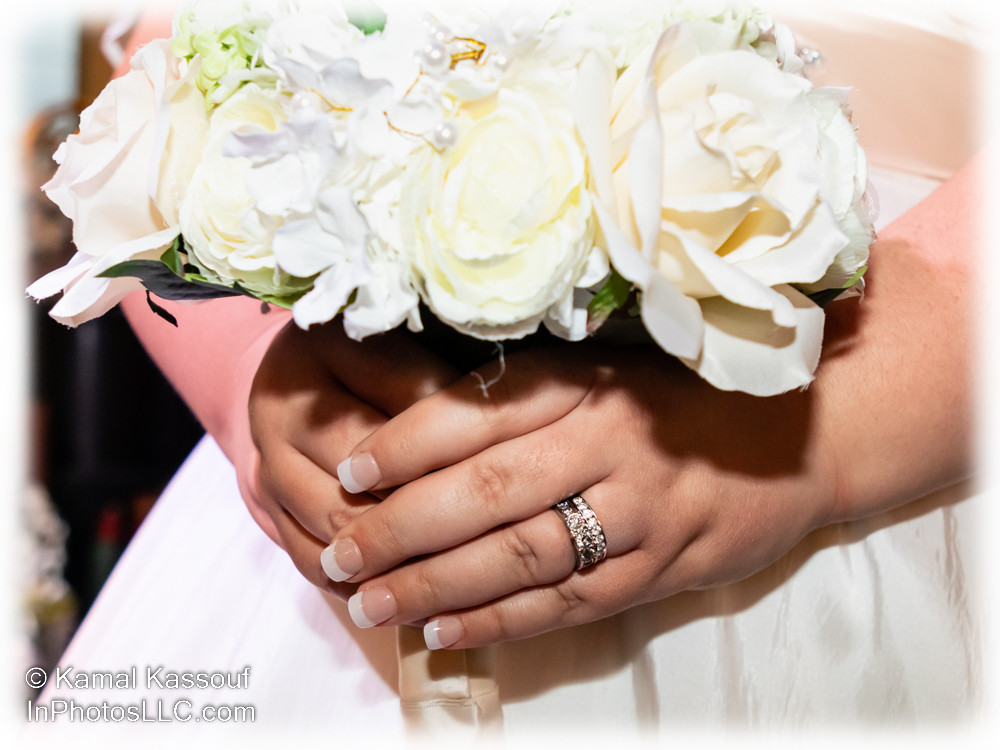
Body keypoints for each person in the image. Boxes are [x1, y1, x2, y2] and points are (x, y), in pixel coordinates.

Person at [25, 0, 987, 743]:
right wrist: (252, 381)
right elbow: (174, 66)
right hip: (320, 498)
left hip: (896, 428)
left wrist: (826, 417)